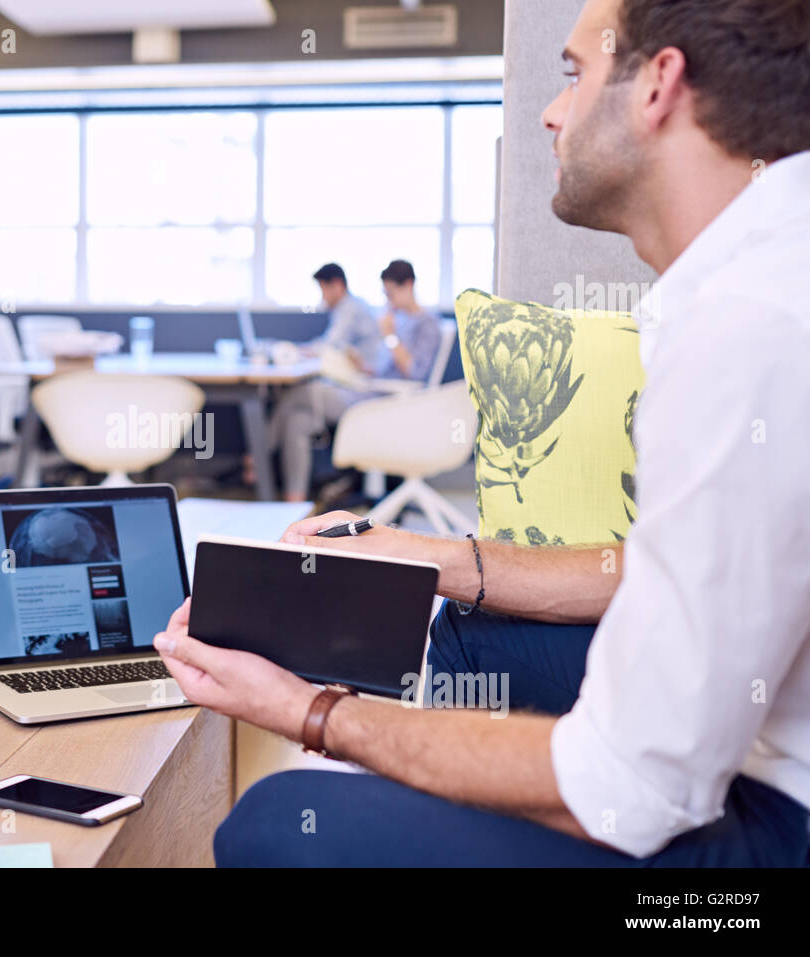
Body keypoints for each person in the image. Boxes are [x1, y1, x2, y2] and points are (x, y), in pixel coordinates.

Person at [155, 0, 810, 866]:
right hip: (760, 732)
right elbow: (652, 570)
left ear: (659, 85)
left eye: (575, 75)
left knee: (275, 822)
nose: (550, 110)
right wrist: (425, 557)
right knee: (468, 632)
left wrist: (310, 714)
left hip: (777, 827)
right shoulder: (754, 273)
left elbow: (630, 790)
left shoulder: (751, 324)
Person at [265, 261, 439, 502]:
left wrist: (389, 335)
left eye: (391, 293)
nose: (388, 302)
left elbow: (415, 373)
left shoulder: (426, 323)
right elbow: (385, 369)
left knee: (303, 391)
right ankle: (293, 506)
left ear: (408, 285)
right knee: (298, 421)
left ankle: (259, 456)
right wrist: (363, 366)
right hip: (370, 388)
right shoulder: (398, 320)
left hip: (386, 402)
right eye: (384, 294)